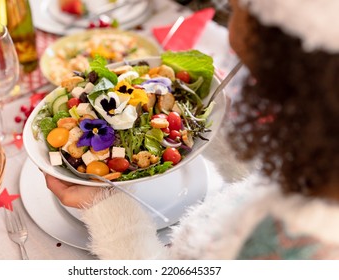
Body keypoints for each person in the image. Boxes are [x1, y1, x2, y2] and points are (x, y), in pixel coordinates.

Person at [44, 0, 339, 259]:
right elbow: (257, 183)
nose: (229, 30)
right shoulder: (319, 150)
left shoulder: (283, 246)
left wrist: (103, 206)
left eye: (235, 8)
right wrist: (211, 131)